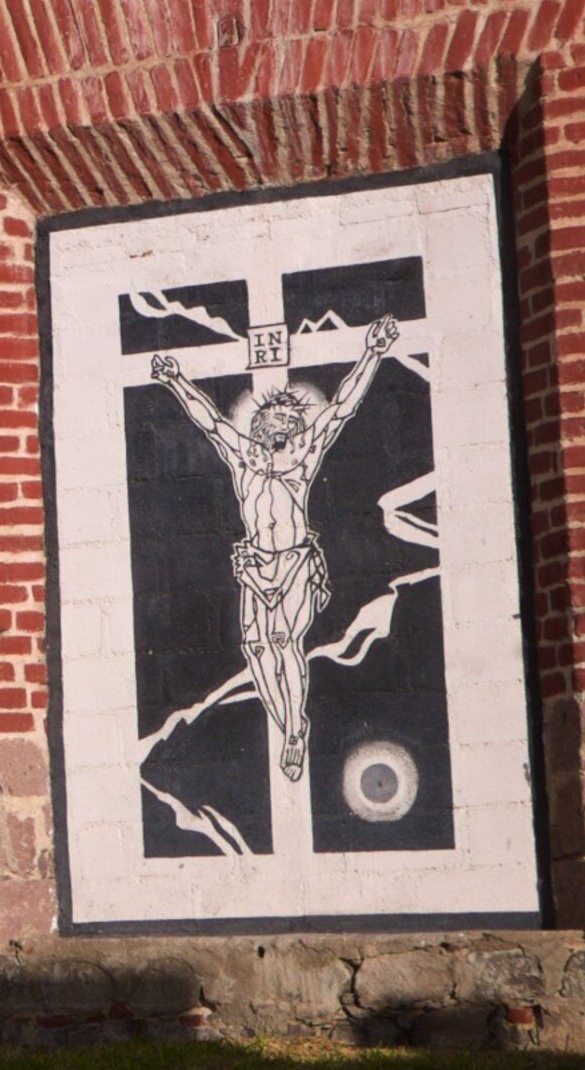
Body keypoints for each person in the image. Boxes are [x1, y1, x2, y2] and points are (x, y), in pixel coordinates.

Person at [148, 314, 401, 783]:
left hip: (295, 564)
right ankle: (286, 722)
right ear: (260, 433)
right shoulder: (245, 468)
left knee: (285, 642)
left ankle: (294, 729)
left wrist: (372, 352)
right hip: (254, 565)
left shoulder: (300, 468)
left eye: (286, 432)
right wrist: (176, 380)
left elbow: (342, 406)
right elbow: (207, 420)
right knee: (255, 647)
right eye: (270, 433)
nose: (277, 442)